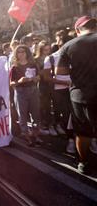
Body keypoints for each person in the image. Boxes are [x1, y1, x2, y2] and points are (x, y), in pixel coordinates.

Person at [56, 16, 97, 174]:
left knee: (83, 131)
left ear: (77, 30)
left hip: (80, 96)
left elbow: (59, 72)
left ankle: (83, 163)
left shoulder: (68, 46)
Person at [10, 45, 43, 147]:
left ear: (27, 52)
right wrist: (20, 81)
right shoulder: (14, 67)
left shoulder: (33, 64)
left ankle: (36, 134)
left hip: (33, 90)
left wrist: (36, 78)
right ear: (16, 54)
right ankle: (27, 136)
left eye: (23, 51)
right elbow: (11, 83)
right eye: (19, 52)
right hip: (20, 91)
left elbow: (39, 76)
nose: (21, 54)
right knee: (22, 116)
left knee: (36, 114)